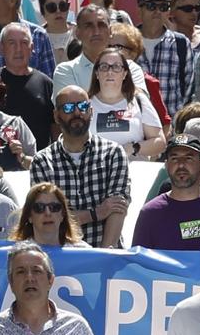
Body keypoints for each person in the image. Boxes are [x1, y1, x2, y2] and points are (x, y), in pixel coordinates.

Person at [30, 87, 132, 248]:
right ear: (56, 116)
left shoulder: (113, 153)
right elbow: (46, 218)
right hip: (62, 256)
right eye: (69, 108)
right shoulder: (42, 161)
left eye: (83, 107)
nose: (77, 113)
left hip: (107, 254)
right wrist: (96, 213)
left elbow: (117, 209)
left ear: (91, 111)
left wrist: (102, 256)